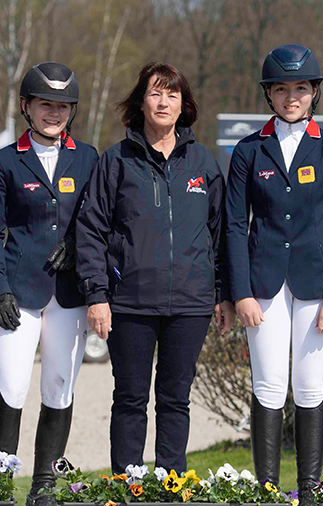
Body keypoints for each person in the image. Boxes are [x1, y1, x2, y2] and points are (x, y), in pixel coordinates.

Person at [76, 62, 234, 475]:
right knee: (130, 397)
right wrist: (97, 295)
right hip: (129, 302)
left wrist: (224, 293)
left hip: (191, 303)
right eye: (155, 93)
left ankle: (170, 485)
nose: (164, 102)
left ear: (184, 105)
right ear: (141, 102)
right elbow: (91, 229)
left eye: (173, 94)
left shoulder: (203, 163)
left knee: (175, 398)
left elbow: (221, 234)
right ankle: (128, 486)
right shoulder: (115, 161)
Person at [225, 44, 323, 506]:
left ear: (314, 92)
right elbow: (235, 226)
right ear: (270, 94)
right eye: (282, 89)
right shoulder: (248, 150)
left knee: (310, 387)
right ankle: (267, 496)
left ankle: (309, 500)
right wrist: (240, 294)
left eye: (301, 88)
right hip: (263, 286)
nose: (292, 96)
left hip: (317, 287)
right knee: (269, 386)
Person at [0, 62, 99, 506]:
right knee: (10, 386)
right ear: (27, 107)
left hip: (69, 293)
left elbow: (99, 218)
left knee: (59, 387)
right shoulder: (6, 161)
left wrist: (76, 245)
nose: (54, 113)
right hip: (18, 291)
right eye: (46, 104)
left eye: (62, 106)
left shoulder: (88, 158)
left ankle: (44, 489)